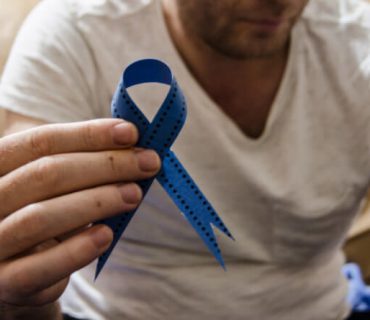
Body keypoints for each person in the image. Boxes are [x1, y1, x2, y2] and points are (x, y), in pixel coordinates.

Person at [0, 0, 369, 319]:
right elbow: (24, 261)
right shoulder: (74, 32)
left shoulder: (358, 41)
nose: (279, 3)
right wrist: (24, 300)